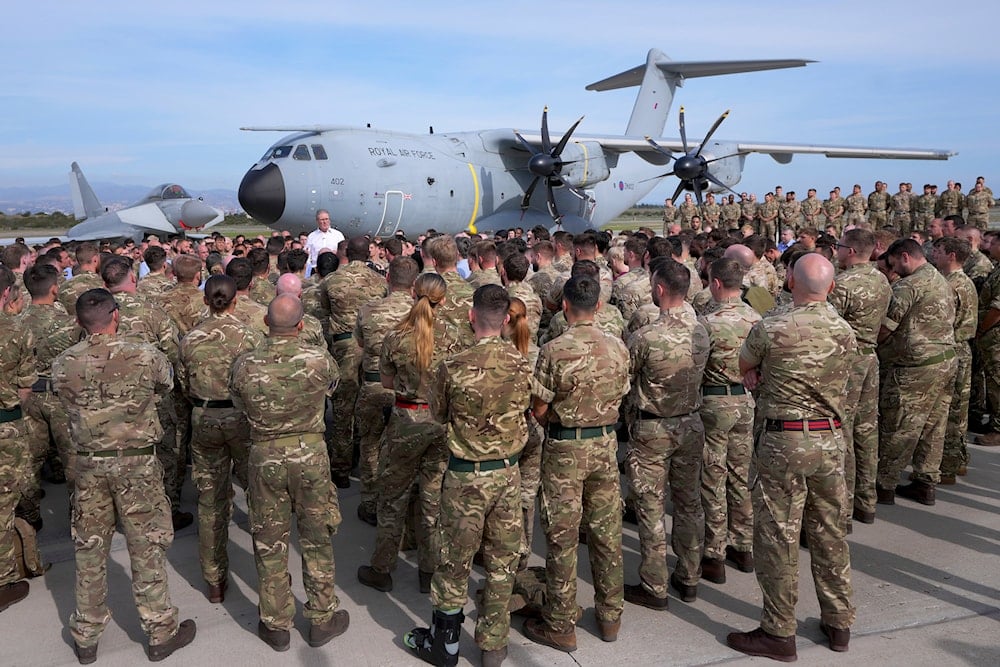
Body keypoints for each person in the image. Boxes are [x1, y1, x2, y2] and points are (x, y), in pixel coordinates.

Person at [52, 288, 196, 663]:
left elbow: (61, 398)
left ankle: (86, 634)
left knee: (89, 548)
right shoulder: (144, 355)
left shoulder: (64, 363)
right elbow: (167, 386)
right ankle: (160, 631)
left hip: (88, 465)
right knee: (146, 547)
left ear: (80, 322)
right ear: (115, 315)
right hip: (137, 465)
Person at [728, 254, 856, 662]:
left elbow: (743, 364)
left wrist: (756, 375)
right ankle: (838, 623)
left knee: (779, 536)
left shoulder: (772, 326)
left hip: (785, 441)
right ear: (831, 287)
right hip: (831, 440)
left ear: (788, 281)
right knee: (830, 531)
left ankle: (779, 631)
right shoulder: (844, 330)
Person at [405, 285, 530, 667]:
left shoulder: (452, 367)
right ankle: (493, 643)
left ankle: (446, 645)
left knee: (454, 561)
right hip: (507, 476)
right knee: (501, 562)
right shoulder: (523, 362)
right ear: (506, 319)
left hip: (465, 478)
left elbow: (439, 415)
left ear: (471, 317)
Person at [229, 294, 348, 651]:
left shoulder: (244, 364)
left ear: (266, 323)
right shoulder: (319, 360)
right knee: (316, 536)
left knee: (269, 540)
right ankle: (322, 617)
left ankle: (276, 622)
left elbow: (239, 403)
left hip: (265, 454)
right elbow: (331, 391)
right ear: (301, 326)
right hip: (310, 453)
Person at [523, 275, 630, 653]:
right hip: (604, 444)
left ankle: (561, 622)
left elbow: (539, 407)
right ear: (598, 306)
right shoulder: (618, 347)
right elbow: (622, 393)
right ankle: (610, 615)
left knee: (562, 537)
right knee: (606, 533)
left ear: (565, 306)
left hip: (566, 449)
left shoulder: (553, 350)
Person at [357, 273, 466, 594]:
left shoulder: (396, 336)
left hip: (406, 419)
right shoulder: (455, 335)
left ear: (413, 295)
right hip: (439, 423)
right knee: (433, 498)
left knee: (392, 498)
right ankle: (428, 570)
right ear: (443, 300)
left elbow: (387, 383)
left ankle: (382, 568)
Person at [623, 257, 709, 609]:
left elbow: (626, 377)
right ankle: (689, 576)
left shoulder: (646, 336)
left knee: (651, 505)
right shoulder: (702, 331)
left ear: (659, 290)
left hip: (653, 428)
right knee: (689, 503)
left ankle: (654, 583)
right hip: (691, 423)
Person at [177, 275, 263, 603]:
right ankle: (268, 570)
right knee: (256, 496)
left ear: (205, 300)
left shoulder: (190, 338)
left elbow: (184, 384)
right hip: (240, 418)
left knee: (210, 500)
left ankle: (214, 579)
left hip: (205, 418)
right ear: (235, 301)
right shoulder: (249, 336)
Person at [875, 239, 958, 506]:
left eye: (895, 263)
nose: (895, 270)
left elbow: (886, 328)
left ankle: (884, 485)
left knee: (900, 425)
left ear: (905, 257)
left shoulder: (908, 286)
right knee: (934, 425)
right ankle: (925, 483)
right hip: (945, 361)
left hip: (917, 366)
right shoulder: (940, 279)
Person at [697, 258, 761, 582]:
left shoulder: (706, 322)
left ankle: (714, 552)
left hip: (714, 403)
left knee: (713, 478)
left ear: (717, 283)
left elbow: (694, 368)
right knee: (740, 474)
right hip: (745, 403)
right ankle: (744, 545)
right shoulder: (755, 318)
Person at [828, 229, 891, 525]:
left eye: (839, 246)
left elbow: (828, 327)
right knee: (867, 430)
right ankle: (867, 500)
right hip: (870, 357)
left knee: (844, 431)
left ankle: (845, 506)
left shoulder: (843, 284)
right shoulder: (882, 278)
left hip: (849, 361)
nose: (836, 251)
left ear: (850, 251)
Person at [353, 256, 420, 525]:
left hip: (373, 384)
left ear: (388, 279)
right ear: (414, 284)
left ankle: (371, 500)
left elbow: (360, 343)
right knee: (405, 451)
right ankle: (402, 503)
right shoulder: (421, 313)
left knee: (370, 444)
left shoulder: (368, 310)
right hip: (409, 390)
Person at [321, 236, 387, 488]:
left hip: (344, 346)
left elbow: (325, 312)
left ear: (346, 252)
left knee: (343, 408)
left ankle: (341, 466)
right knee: (370, 402)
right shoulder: (379, 281)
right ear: (368, 254)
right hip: (371, 346)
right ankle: (367, 458)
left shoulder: (332, 280)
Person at [0, 263, 36, 614]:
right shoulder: (15, 332)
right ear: (7, 294)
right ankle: (2, 580)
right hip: (5, 427)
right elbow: (26, 388)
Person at [929, 237, 978, 484]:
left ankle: (947, 466)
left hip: (953, 348)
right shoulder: (958, 281)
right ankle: (955, 461)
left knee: (950, 411)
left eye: (937, 251)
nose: (933, 254)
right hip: (959, 348)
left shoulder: (952, 284)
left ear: (951, 256)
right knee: (956, 410)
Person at [305, 209, 345, 273]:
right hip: (316, 270)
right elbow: (308, 255)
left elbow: (343, 252)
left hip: (334, 269)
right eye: (322, 220)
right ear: (317, 221)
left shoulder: (338, 235)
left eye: (326, 219)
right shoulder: (312, 236)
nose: (325, 222)